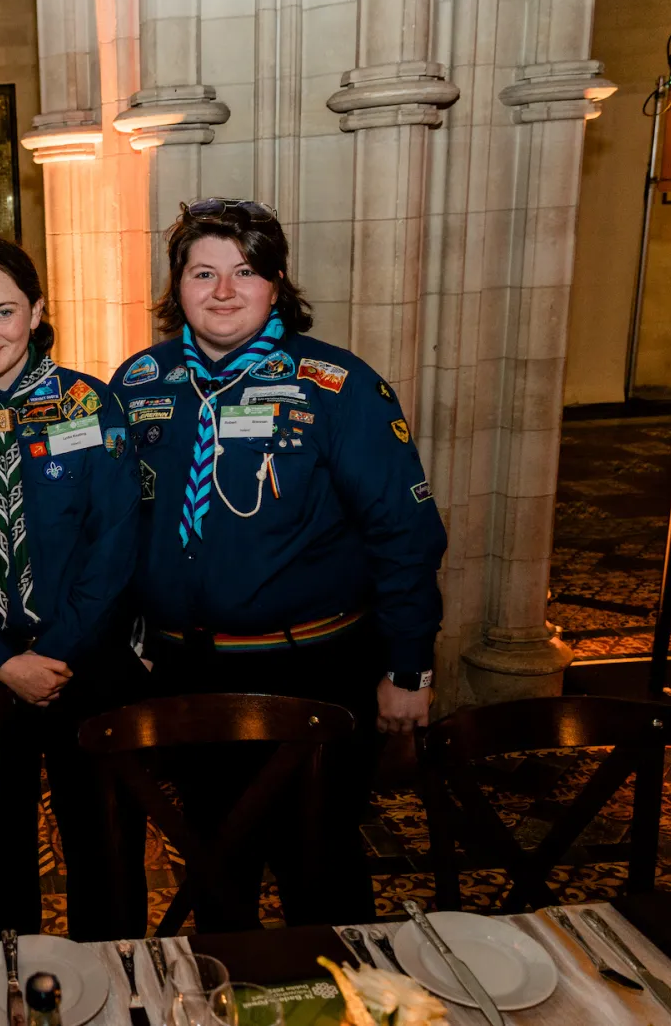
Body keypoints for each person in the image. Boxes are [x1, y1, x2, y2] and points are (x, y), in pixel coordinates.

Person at [109, 198, 448, 930]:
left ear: (276, 284)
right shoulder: (138, 383)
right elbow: (111, 526)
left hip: (310, 673)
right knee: (213, 867)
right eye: (202, 273)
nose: (223, 291)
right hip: (188, 677)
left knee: (319, 874)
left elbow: (405, 535)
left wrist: (408, 668)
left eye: (245, 272)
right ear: (177, 285)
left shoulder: (336, 385)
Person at [0, 238, 147, 939]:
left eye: (3, 312)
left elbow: (114, 544)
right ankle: (4, 980)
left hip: (86, 664)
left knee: (105, 843)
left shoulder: (90, 403)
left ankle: (114, 977)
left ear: (37, 311)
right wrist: (2, 661)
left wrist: (56, 652)